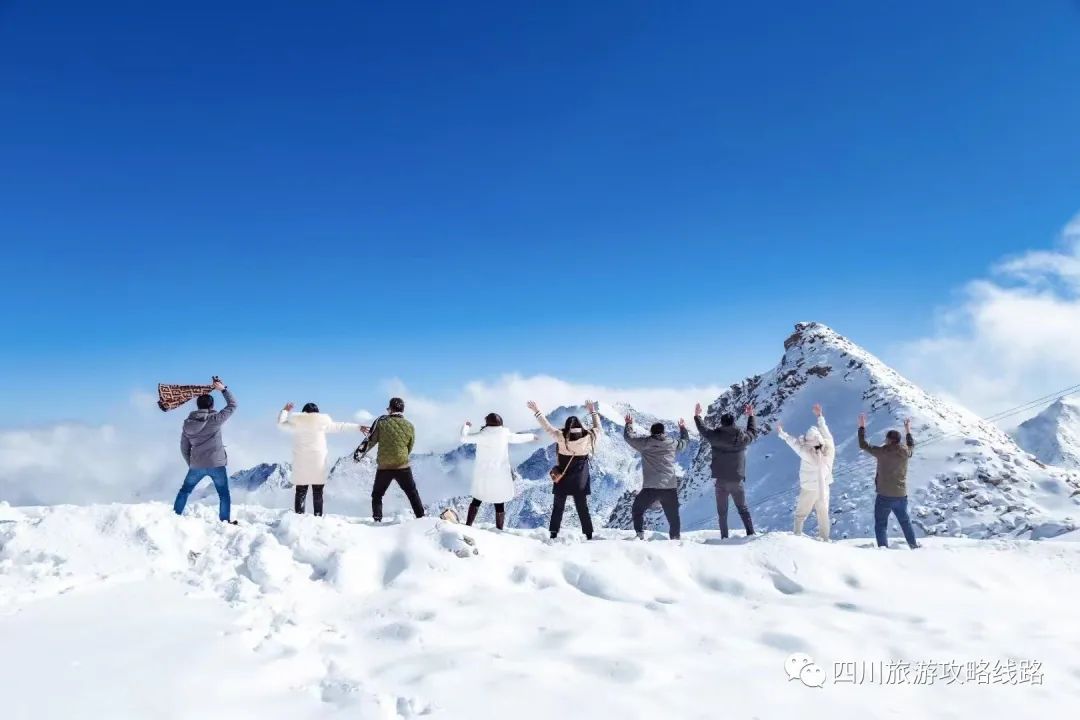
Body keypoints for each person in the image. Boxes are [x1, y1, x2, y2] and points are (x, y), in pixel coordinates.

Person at [529, 400, 602, 540]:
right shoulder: (590, 437)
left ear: (567, 427)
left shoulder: (561, 437)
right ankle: (588, 534)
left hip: (563, 476)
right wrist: (592, 411)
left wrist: (537, 411)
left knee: (558, 507)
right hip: (581, 477)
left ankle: (553, 533)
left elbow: (547, 427)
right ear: (580, 426)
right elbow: (598, 427)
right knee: (582, 507)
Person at [277, 402, 364, 517]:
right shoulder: (322, 423)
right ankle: (318, 517)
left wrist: (285, 410)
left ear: (303, 412)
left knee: (301, 492)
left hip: (302, 462)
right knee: (318, 493)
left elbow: (281, 423)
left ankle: (298, 517)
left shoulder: (297, 423)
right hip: (318, 462)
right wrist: (358, 427)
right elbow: (340, 426)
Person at [174, 379, 238, 523]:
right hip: (216, 464)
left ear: (197, 406)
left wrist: (191, 463)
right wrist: (223, 389)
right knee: (223, 494)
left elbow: (184, 446)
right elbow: (233, 405)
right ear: (212, 405)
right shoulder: (215, 419)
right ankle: (225, 521)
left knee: (184, 491)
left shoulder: (187, 423)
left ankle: (175, 517)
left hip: (196, 464)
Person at [459, 413, 537, 529]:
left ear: (487, 423)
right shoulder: (504, 434)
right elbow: (517, 438)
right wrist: (531, 436)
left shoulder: (482, 435)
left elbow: (463, 438)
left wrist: (466, 426)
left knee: (477, 499)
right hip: (500, 473)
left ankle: (468, 525)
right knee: (499, 500)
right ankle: (499, 529)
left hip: (484, 473)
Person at [695, 402, 758, 538]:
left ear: (722, 423)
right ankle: (751, 533)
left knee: (722, 512)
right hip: (737, 480)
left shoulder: (715, 437)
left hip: (721, 481)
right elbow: (752, 432)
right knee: (743, 508)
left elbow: (703, 430)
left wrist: (697, 416)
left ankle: (724, 537)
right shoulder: (742, 438)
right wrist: (751, 416)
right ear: (734, 422)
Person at [623, 415, 690, 540]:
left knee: (637, 509)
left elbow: (629, 437)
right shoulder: (672, 443)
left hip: (651, 487)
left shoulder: (645, 443)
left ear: (651, 432)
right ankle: (675, 539)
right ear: (664, 432)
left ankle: (639, 534)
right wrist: (682, 428)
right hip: (669, 487)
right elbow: (685, 443)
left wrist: (628, 424)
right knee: (673, 516)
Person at [858, 414, 919, 549]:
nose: (884, 441)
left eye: (886, 439)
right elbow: (911, 445)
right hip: (901, 495)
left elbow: (863, 445)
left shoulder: (881, 452)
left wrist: (862, 427)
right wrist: (908, 430)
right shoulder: (905, 452)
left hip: (884, 495)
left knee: (881, 524)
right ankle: (914, 546)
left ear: (889, 440)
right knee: (905, 522)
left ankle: (883, 549)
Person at [776, 403, 835, 540]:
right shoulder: (829, 449)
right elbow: (827, 433)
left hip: (809, 487)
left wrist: (782, 434)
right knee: (823, 514)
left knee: (800, 515)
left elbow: (794, 444)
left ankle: (797, 536)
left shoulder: (807, 454)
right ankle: (825, 539)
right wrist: (820, 417)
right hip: (824, 487)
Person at [364, 397, 425, 522]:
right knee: (412, 493)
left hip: (384, 467)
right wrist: (400, 455)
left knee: (377, 495)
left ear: (390, 409)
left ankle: (377, 519)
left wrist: (360, 454)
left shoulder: (381, 423)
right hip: (402, 466)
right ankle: (421, 519)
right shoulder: (409, 426)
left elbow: (372, 441)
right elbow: (410, 445)